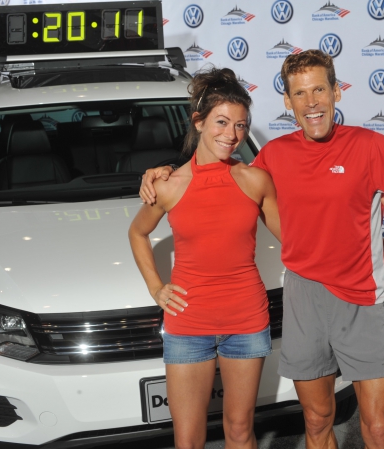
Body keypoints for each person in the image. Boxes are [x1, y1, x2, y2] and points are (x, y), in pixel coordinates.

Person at [140, 50, 384, 449]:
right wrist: (162, 169)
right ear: (288, 102)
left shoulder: (369, 144)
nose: (311, 102)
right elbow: (217, 169)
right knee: (317, 418)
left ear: (336, 93)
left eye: (319, 89)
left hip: (362, 299)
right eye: (300, 94)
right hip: (305, 298)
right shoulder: (274, 156)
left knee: (377, 428)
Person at [129, 66, 280, 449]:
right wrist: (156, 288)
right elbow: (137, 232)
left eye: (241, 125)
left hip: (246, 319)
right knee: (188, 440)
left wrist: (362, 238)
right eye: (222, 122)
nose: (232, 135)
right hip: (188, 324)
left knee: (241, 431)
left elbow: (297, 239)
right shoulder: (168, 184)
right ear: (198, 122)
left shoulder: (255, 180)